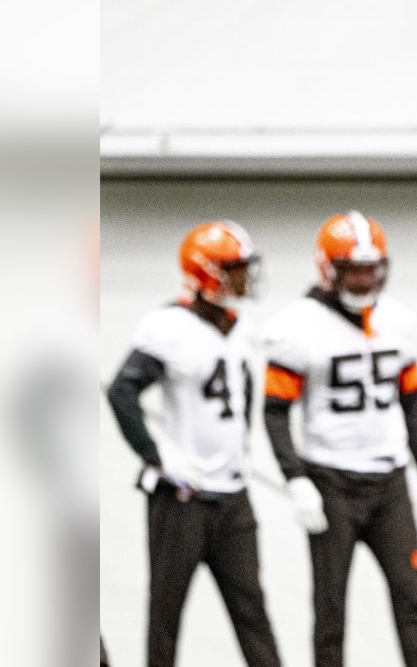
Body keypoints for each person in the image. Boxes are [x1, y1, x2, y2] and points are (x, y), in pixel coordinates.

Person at [261, 211, 417, 667]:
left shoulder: (398, 321)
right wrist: (295, 478)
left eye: (372, 268)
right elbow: (275, 410)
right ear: (330, 268)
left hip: (389, 481)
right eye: (355, 269)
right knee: (330, 610)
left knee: (412, 600)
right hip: (331, 481)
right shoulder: (297, 326)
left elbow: (412, 401)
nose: (365, 279)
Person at [106, 221, 281, 667]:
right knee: (166, 614)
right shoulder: (167, 326)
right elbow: (122, 390)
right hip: (182, 498)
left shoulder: (241, 330)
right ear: (206, 273)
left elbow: (241, 401)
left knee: (253, 614)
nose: (244, 277)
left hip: (232, 496)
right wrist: (157, 457)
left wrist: (239, 455)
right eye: (234, 268)